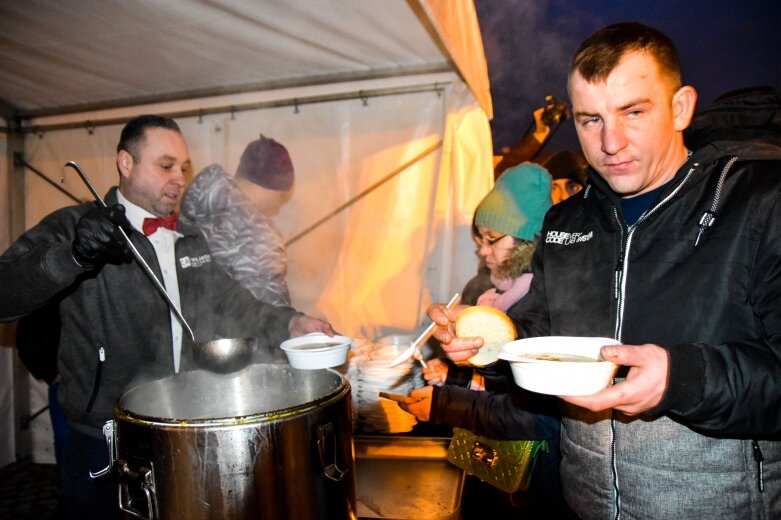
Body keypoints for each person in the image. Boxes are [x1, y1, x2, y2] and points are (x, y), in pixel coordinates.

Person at [426, 23, 781, 518]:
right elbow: (541, 340)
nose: (610, 142)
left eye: (633, 112)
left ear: (681, 107)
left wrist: (680, 379)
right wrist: (484, 346)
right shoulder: (566, 221)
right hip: (585, 504)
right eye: (590, 120)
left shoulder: (758, 201)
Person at [0, 114, 334, 519]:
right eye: (165, 165)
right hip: (104, 435)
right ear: (126, 163)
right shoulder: (75, 227)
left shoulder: (188, 234)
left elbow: (232, 303)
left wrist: (290, 322)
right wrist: (73, 254)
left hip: (178, 424)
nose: (179, 177)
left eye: (184, 167)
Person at [389, 164, 571, 517]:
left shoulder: (545, 304)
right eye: (479, 240)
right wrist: (453, 374)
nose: (483, 251)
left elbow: (540, 416)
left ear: (527, 240)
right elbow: (495, 379)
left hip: (537, 480)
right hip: (496, 467)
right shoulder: (490, 294)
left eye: (492, 239)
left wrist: (445, 405)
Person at [180, 134, 293, 308]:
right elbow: (272, 315)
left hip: (190, 328)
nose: (279, 204)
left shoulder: (198, 202)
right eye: (282, 196)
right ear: (273, 188)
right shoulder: (261, 237)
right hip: (235, 335)